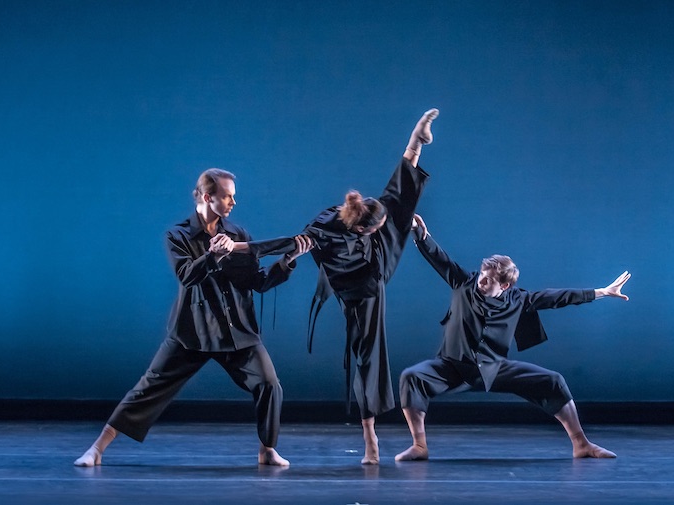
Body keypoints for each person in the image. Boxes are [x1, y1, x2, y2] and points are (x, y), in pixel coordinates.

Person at [237, 108, 439, 464]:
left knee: (396, 201)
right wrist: (238, 247)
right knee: (367, 359)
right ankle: (370, 437)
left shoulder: (350, 214)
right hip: (361, 286)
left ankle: (414, 145)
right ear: (361, 227)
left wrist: (396, 223)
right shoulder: (324, 229)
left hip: (372, 267)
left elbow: (389, 205)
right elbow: (283, 243)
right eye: (377, 226)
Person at [74, 168, 313, 468]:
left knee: (269, 384)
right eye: (227, 196)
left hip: (236, 331)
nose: (232, 202)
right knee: (147, 389)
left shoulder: (238, 236)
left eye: (233, 197)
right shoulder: (178, 235)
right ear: (206, 196)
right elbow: (187, 276)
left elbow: (258, 282)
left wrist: (287, 261)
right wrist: (213, 255)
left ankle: (267, 450)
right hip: (192, 332)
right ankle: (96, 450)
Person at [395, 214, 630, 462]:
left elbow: (557, 297)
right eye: (481, 274)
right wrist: (420, 234)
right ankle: (419, 446)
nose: (481, 280)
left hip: (494, 367)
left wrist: (602, 292)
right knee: (412, 377)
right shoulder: (465, 283)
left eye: (488, 280)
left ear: (505, 287)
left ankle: (582, 444)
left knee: (553, 381)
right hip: (453, 365)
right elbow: (440, 259)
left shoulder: (519, 299)